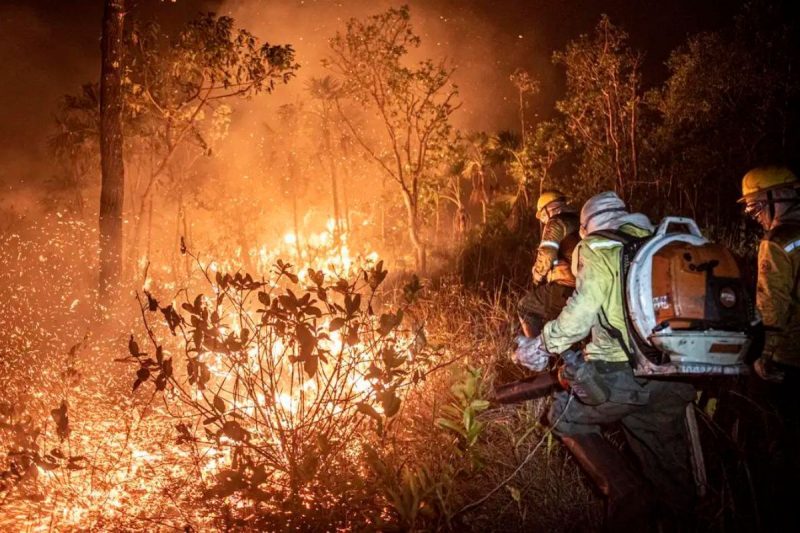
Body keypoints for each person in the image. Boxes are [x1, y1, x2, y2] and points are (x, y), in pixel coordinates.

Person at [513, 191, 696, 527]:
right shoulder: (658, 242)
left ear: (585, 227)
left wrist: (542, 346)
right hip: (675, 375)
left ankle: (627, 494)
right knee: (666, 467)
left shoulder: (596, 246)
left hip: (623, 375)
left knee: (562, 416)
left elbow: (581, 313)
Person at [740, 166, 800, 528]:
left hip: (790, 357)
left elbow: (772, 303)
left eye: (756, 206)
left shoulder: (779, 240)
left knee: (776, 438)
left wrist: (764, 354)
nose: (755, 215)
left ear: (777, 198)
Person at [516, 190, 580, 338]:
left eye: (543, 215)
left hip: (567, 286)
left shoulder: (556, 222)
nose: (544, 220)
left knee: (525, 307)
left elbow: (547, 253)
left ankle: (536, 355)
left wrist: (537, 276)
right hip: (586, 286)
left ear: (548, 209)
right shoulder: (578, 220)